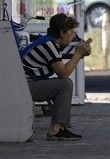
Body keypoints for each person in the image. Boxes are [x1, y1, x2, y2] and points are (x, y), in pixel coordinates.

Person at [20, 13, 92, 141]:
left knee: (63, 84)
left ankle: (60, 127)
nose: (74, 35)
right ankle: (56, 129)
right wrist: (78, 54)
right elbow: (63, 73)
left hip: (24, 84)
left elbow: (67, 56)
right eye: (71, 32)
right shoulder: (49, 45)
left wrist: (80, 53)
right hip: (23, 86)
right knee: (65, 84)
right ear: (62, 33)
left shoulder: (49, 42)